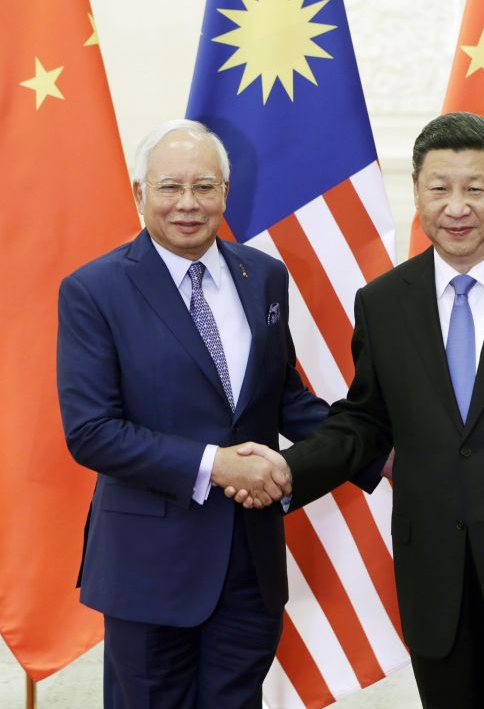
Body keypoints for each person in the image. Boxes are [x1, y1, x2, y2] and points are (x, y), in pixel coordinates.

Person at [234, 112, 484, 707]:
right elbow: (367, 420)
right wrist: (288, 469)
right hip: (436, 582)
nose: (457, 207)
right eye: (439, 188)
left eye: (475, 188)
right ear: (418, 193)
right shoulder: (383, 302)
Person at [55, 119, 380, 708]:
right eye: (169, 187)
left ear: (225, 193)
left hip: (248, 568)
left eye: (204, 187)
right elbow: (92, 432)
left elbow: (283, 398)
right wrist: (217, 466)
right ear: (139, 194)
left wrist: (378, 453)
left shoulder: (264, 277)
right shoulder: (94, 290)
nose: (188, 204)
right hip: (149, 571)